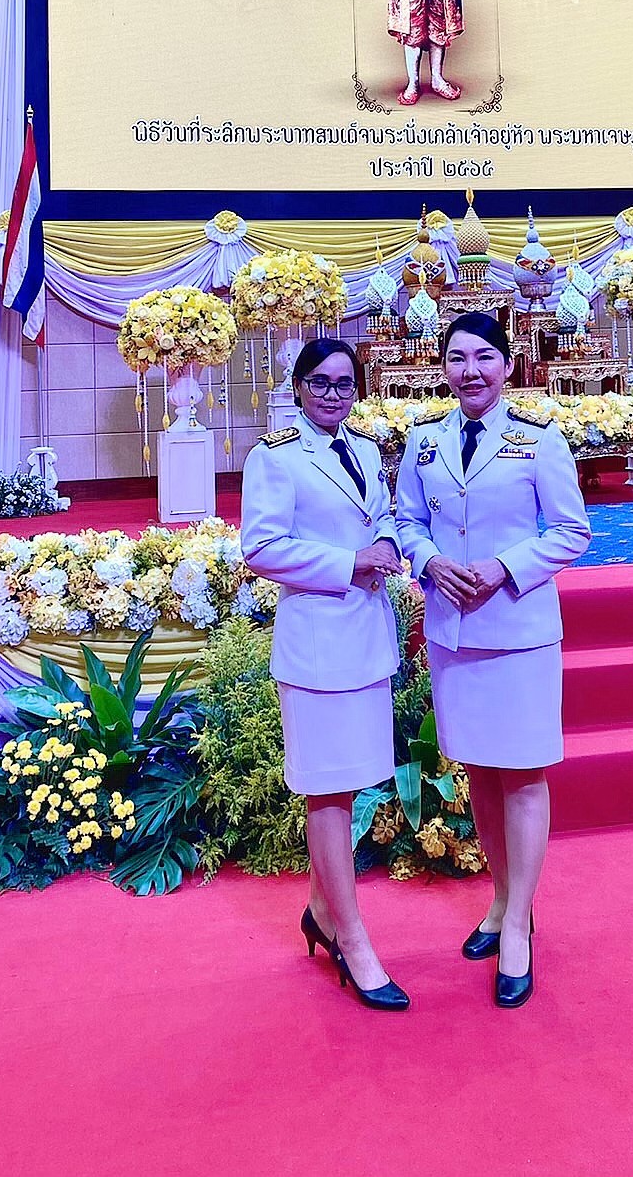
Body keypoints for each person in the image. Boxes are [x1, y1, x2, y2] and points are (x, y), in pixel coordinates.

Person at [395, 312, 591, 1008]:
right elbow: (407, 522)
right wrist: (429, 560)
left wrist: (506, 567)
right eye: (457, 358)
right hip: (454, 633)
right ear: (443, 366)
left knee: (524, 773)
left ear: (507, 366)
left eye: (484, 357)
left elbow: (571, 531)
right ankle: (504, 901)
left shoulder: (539, 439)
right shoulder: (423, 441)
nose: (470, 371)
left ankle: (517, 927)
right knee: (478, 768)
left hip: (518, 628)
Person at [241, 338, 410, 1011]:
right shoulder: (275, 456)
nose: (333, 394)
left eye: (345, 383)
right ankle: (353, 940)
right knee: (327, 792)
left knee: (350, 783)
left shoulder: (364, 449)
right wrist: (349, 563)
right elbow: (261, 547)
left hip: (366, 637)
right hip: (316, 645)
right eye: (320, 382)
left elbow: (382, 517)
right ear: (298, 387)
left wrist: (387, 543)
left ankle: (319, 909)